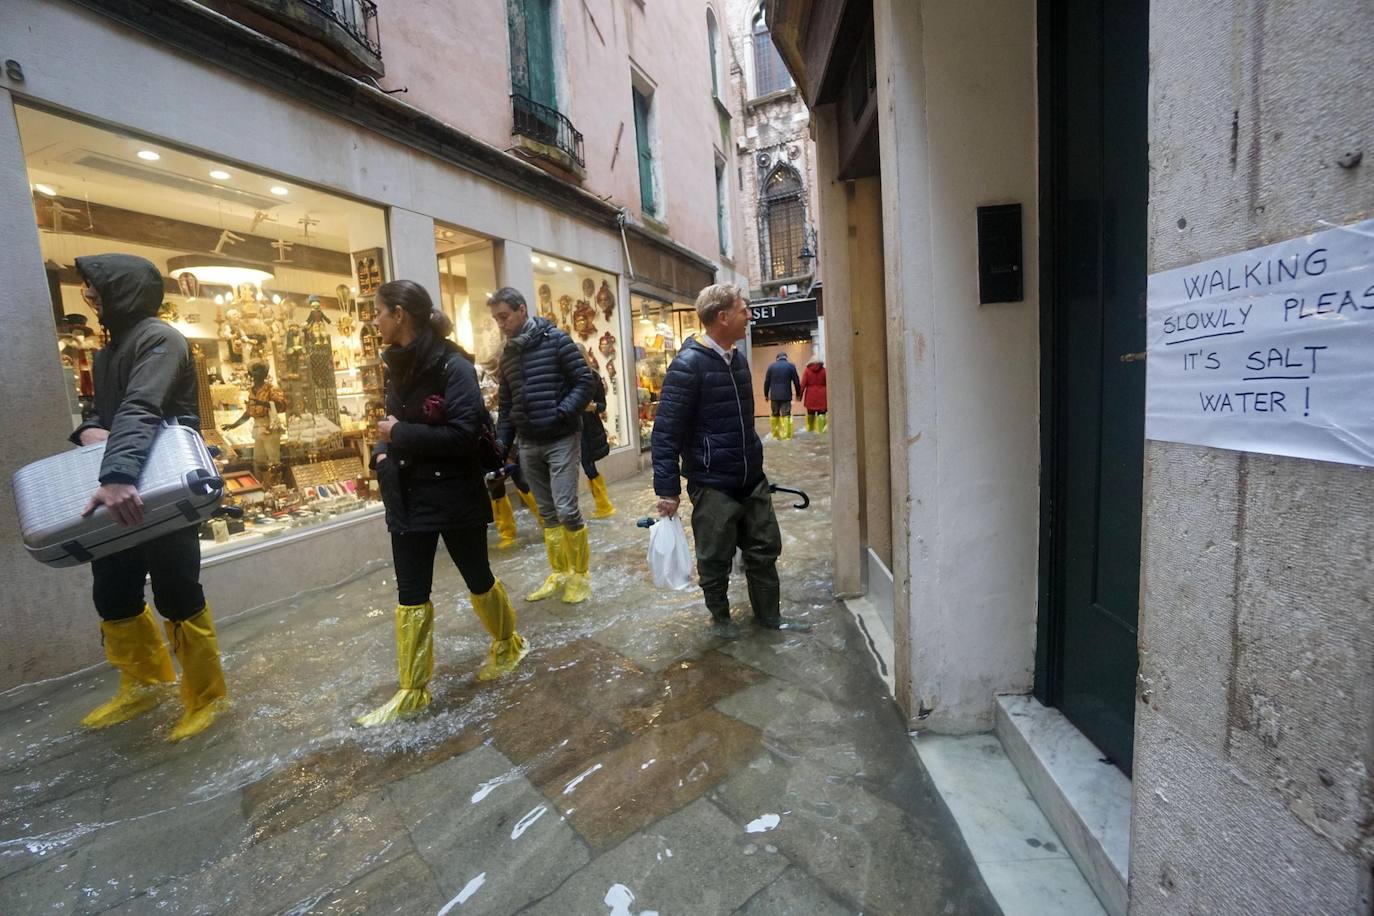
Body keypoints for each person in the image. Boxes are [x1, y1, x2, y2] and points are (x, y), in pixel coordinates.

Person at [70, 253, 228, 741]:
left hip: (160, 486)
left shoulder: (161, 338)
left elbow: (143, 406)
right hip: (119, 485)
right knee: (112, 590)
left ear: (121, 289)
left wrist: (117, 472)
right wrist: (89, 431)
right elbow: (103, 412)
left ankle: (206, 697)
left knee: (176, 591)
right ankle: (142, 683)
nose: (89, 295)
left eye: (94, 286)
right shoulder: (110, 348)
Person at [359, 280, 528, 727]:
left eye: (377, 312)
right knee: (410, 594)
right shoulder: (395, 365)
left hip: (453, 492)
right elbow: (385, 423)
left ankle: (509, 643)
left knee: (477, 577)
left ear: (399, 314)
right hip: (407, 495)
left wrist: (396, 435)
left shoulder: (453, 365)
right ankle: (412, 690)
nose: (373, 320)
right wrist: (381, 454)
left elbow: (462, 434)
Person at [652, 284, 812, 639]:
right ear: (722, 317)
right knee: (714, 559)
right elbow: (665, 433)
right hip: (712, 483)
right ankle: (721, 622)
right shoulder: (687, 365)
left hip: (750, 478)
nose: (750, 316)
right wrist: (667, 490)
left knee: (765, 549)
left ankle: (769, 619)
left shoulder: (737, 359)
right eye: (744, 310)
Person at [487, 287, 596, 604]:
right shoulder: (508, 354)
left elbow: (584, 382)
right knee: (547, 513)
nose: (501, 324)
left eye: (504, 317)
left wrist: (562, 412)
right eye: (496, 319)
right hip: (528, 442)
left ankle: (580, 576)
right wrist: (501, 444)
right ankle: (560, 572)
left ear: (522, 310)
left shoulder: (557, 340)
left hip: (561, 436)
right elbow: (506, 405)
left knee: (566, 509)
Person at [223, 361, 287, 484]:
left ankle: (276, 485)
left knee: (274, 460)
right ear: (251, 373)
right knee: (258, 460)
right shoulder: (252, 390)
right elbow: (248, 413)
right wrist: (233, 425)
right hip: (258, 428)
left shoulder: (271, 388)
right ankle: (262, 485)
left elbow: (281, 405)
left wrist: (263, 403)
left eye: (261, 371)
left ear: (265, 373)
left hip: (270, 426)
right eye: (256, 371)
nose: (258, 373)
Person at [580, 347, 616, 519]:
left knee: (588, 466)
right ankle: (602, 505)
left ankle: (604, 505)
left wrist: (593, 407)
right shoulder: (564, 379)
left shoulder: (593, 377)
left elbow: (602, 406)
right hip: (572, 429)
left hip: (589, 429)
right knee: (587, 466)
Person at [762, 351, 802, 440]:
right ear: (786, 357)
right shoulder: (791, 366)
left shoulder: (771, 367)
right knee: (786, 415)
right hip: (786, 396)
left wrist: (766, 394)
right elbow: (796, 381)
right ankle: (787, 436)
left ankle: (775, 435)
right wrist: (798, 394)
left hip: (774, 396)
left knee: (775, 414)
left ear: (777, 358)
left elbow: (767, 382)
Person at [801, 354, 828, 434]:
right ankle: (822, 431)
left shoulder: (807, 370)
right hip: (822, 396)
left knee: (810, 415)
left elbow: (803, 384)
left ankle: (810, 430)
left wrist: (799, 396)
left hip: (810, 396)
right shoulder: (824, 370)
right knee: (822, 415)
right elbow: (829, 383)